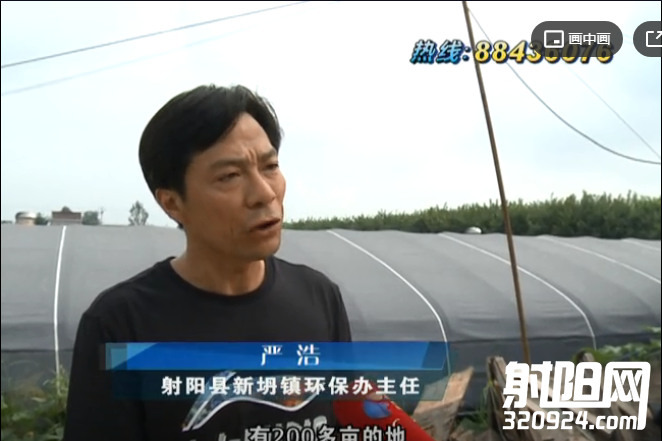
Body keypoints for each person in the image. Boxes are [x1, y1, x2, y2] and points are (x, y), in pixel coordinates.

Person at [63, 85, 353, 441]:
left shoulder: (319, 297)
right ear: (172, 203)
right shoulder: (121, 325)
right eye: (229, 176)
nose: (265, 193)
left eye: (270, 166)